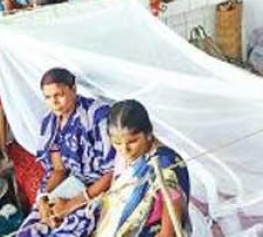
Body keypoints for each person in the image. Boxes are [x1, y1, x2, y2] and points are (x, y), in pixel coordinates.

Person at [17, 68, 115, 237]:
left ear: (74, 89)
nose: (54, 103)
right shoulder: (51, 123)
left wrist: (71, 204)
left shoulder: (98, 116)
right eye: (48, 97)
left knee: (65, 231)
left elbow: (112, 171)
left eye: (59, 95)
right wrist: (44, 199)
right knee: (31, 229)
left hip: (99, 188)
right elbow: (59, 169)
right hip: (73, 184)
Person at [96, 99, 191, 236]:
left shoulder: (165, 166)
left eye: (132, 141)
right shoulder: (125, 156)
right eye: (117, 143)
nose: (124, 150)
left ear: (148, 134)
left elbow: (168, 233)